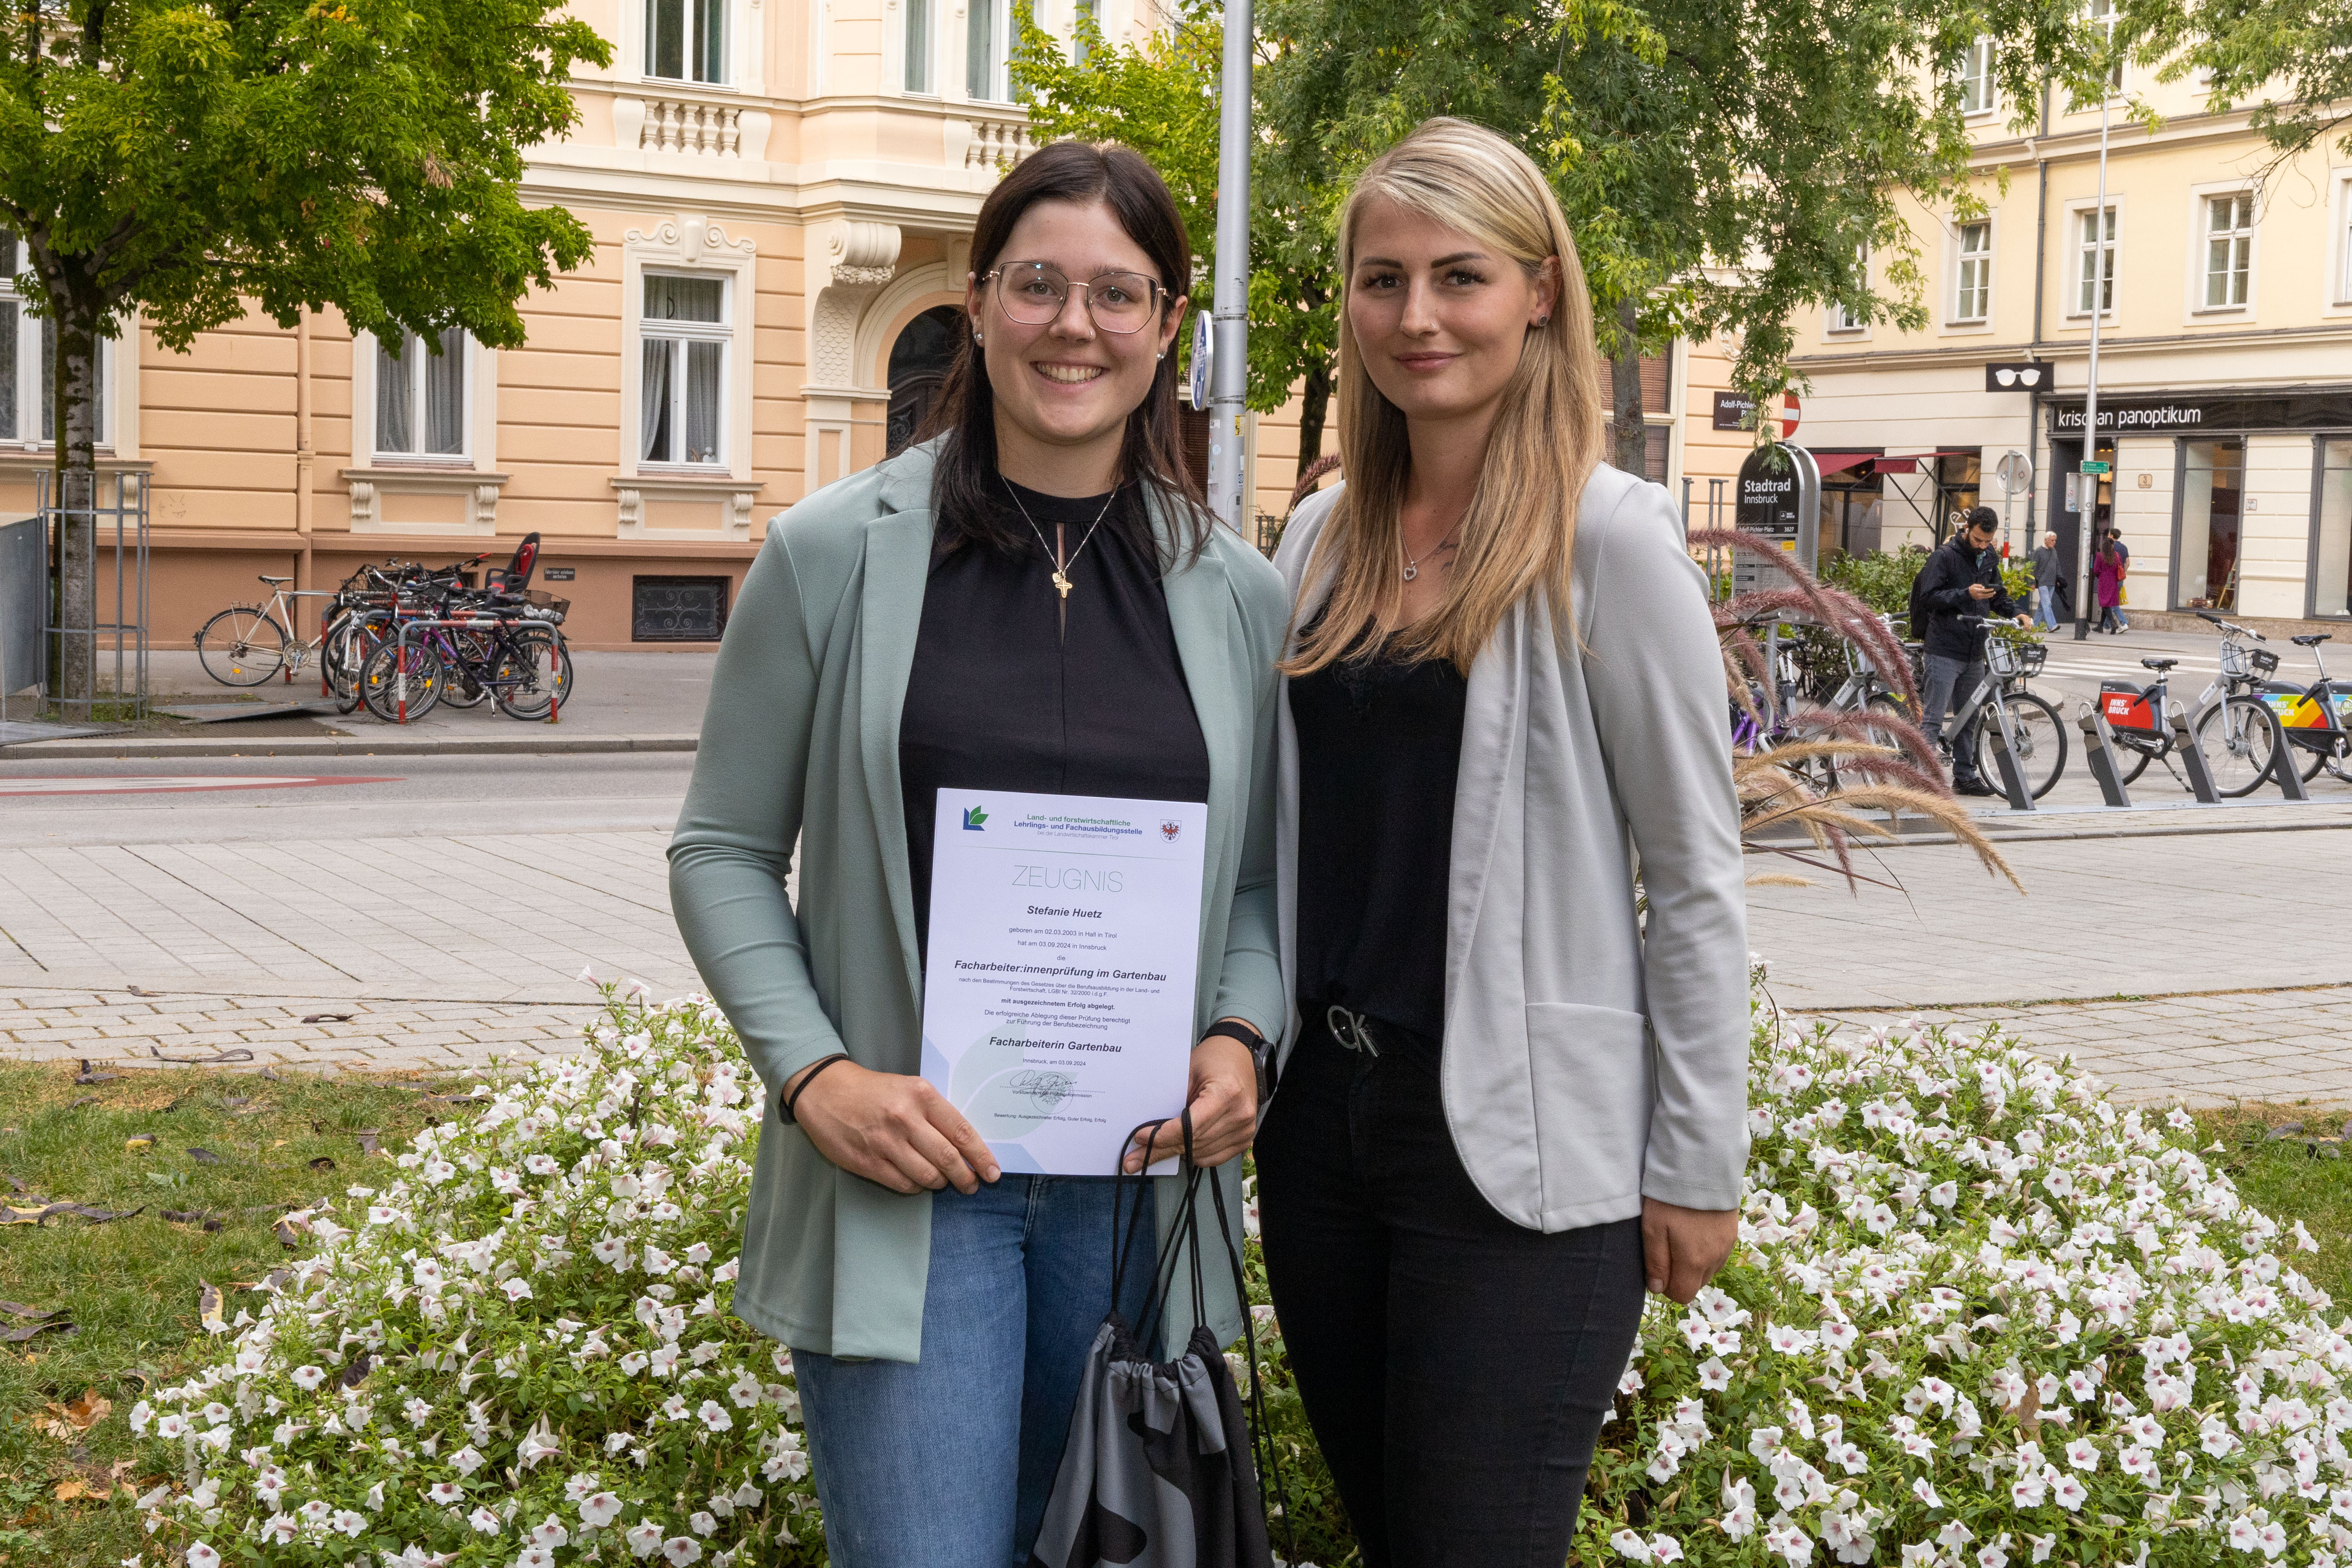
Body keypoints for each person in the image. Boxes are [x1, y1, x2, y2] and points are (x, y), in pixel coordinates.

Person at [667, 140, 1290, 1568]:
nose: (1074, 325)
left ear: (1167, 324)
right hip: (912, 1181)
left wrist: (1241, 1034)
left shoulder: (1233, 590)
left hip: (1136, 1189)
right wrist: (815, 1075)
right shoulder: (830, 554)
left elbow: (1252, 884)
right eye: (1037, 286)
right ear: (980, 298)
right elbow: (718, 850)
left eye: (1116, 293)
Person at [1253, 117, 1751, 1568]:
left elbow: (1694, 879)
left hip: (1518, 1151)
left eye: (1457, 276)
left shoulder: (1609, 540)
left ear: (1537, 292)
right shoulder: (1319, 539)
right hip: (1320, 1140)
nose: (1416, 316)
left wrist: (1695, 1158)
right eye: (1381, 278)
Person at [1913, 505, 2034, 794]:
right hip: (1943, 647)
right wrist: (1964, 594)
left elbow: (1997, 595)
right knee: (1933, 718)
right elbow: (1928, 597)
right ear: (1968, 529)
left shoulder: (1989, 557)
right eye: (1978, 539)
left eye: (1987, 541)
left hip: (1974, 649)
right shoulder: (1945, 557)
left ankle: (1965, 776)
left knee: (1969, 717)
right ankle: (1924, 781)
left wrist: (2015, 612)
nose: (1982, 545)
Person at [2030, 530, 2061, 630]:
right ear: (2046, 540)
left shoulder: (2054, 551)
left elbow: (2057, 565)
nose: (2054, 542)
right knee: (2047, 604)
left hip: (2052, 582)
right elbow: (2033, 567)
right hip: (2043, 582)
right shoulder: (2039, 551)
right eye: (2052, 540)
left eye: (2055, 541)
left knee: (2042, 606)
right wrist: (2032, 582)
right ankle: (2052, 625)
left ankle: (2034, 626)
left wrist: (2059, 578)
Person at [2096, 534, 2126, 633]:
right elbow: (2119, 567)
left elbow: (2096, 570)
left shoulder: (2100, 555)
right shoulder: (2116, 556)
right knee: (2107, 603)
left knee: (2104, 603)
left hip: (2104, 581)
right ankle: (2101, 626)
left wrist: (2100, 576)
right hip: (2113, 581)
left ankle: (2113, 623)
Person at [2107, 526, 2133, 630]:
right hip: (2120, 579)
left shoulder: (2110, 547)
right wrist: (2122, 572)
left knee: (2112, 603)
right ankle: (2105, 625)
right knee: (2109, 602)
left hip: (2111, 578)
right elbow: (2128, 563)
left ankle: (2124, 623)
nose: (2108, 536)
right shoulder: (2124, 547)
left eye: (2109, 534)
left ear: (2112, 536)